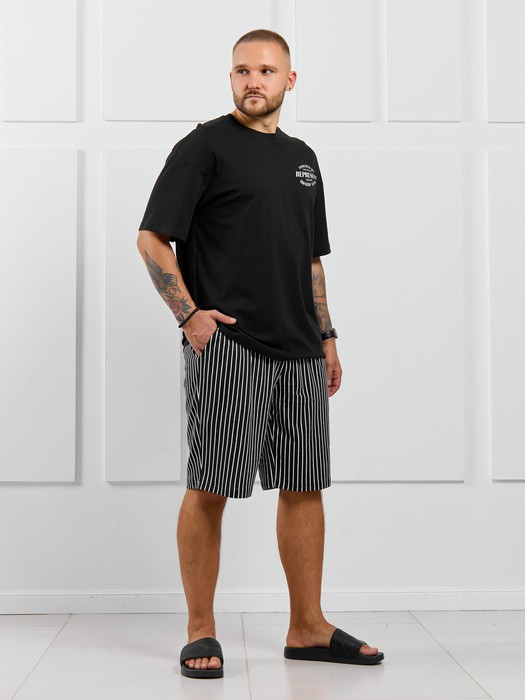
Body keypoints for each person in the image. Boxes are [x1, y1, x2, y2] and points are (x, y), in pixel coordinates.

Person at [137, 28, 383, 679]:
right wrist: (188, 316)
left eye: (267, 71)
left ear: (289, 81)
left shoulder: (303, 159)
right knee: (211, 485)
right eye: (243, 70)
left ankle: (307, 627)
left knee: (304, 485)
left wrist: (327, 336)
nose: (254, 81)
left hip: (300, 349)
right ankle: (200, 629)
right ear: (230, 78)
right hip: (230, 347)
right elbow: (152, 239)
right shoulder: (204, 147)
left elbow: (310, 259)